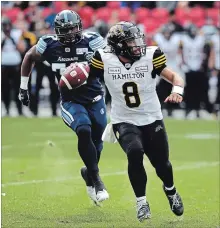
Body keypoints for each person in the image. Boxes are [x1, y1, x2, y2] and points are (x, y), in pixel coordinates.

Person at [89, 22, 184, 221]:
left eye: (137, 40)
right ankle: (141, 202)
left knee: (162, 165)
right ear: (118, 45)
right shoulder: (103, 59)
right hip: (123, 119)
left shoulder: (151, 55)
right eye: (131, 41)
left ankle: (171, 191)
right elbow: (88, 80)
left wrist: (177, 91)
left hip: (151, 117)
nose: (137, 45)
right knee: (134, 152)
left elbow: (175, 77)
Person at [18, 10, 109, 204]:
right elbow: (29, 57)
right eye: (65, 30)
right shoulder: (48, 44)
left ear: (80, 27)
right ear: (57, 30)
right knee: (83, 129)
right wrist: (23, 87)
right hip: (70, 101)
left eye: (72, 28)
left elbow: (112, 61)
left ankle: (88, 172)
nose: (69, 33)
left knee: (97, 141)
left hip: (95, 98)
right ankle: (97, 180)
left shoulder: (92, 41)